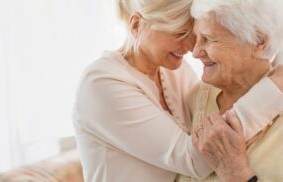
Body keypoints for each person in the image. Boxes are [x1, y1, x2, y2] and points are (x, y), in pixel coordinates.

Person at [73, 0, 283, 181]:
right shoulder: (101, 84)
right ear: (137, 25)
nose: (192, 49)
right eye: (180, 33)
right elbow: (195, 157)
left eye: (194, 34)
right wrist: (274, 89)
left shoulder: (174, 71)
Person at [176, 0, 283, 181]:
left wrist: (235, 173)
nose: (195, 52)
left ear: (259, 41)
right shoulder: (194, 97)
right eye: (196, 38)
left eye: (208, 39)